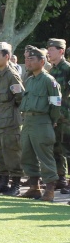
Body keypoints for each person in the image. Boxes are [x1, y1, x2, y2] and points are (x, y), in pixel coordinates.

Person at [19, 47, 62, 202]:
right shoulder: (29, 80)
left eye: (31, 59)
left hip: (42, 121)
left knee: (45, 156)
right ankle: (34, 187)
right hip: (28, 121)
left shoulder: (49, 81)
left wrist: (52, 121)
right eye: (26, 59)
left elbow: (56, 104)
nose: (27, 62)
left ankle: (49, 189)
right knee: (27, 154)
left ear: (42, 61)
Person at [0, 42, 24, 196]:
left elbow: (20, 98)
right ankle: (3, 182)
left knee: (12, 153)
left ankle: (15, 184)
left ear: (7, 56)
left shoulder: (12, 75)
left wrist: (10, 112)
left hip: (10, 122)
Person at [45, 38, 70, 192]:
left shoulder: (67, 69)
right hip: (55, 116)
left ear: (61, 51)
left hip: (66, 116)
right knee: (56, 148)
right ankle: (60, 178)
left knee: (68, 149)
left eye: (52, 49)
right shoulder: (52, 70)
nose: (48, 52)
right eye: (48, 49)